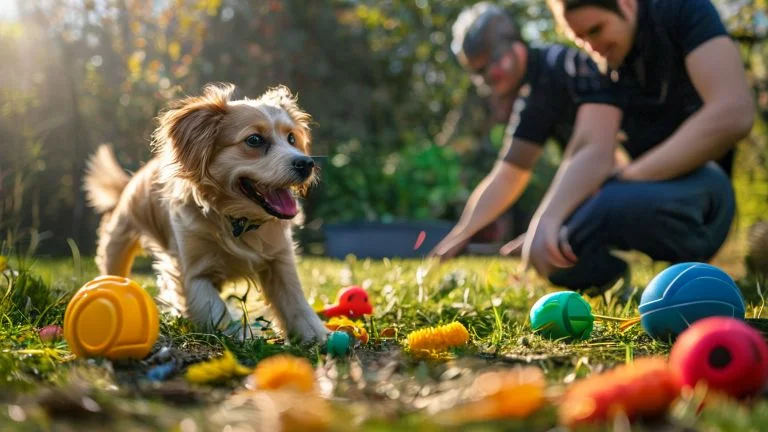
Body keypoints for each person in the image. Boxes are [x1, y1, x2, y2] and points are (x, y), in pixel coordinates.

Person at [517, 0, 754, 292]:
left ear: (626, 5)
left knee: (608, 202)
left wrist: (628, 177)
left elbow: (734, 112)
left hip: (704, 192)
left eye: (596, 29)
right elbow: (592, 149)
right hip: (641, 193)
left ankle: (692, 270)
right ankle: (615, 277)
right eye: (581, 39)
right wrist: (548, 220)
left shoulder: (683, 10)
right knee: (561, 247)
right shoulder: (601, 60)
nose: (592, 46)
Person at [429, 2, 628, 275]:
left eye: (493, 63)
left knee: (559, 254)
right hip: (616, 187)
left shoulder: (563, 66)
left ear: (514, 45)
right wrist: (462, 233)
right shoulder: (534, 94)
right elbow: (509, 174)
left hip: (647, 177)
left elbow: (609, 157)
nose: (490, 76)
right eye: (480, 72)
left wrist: (556, 224)